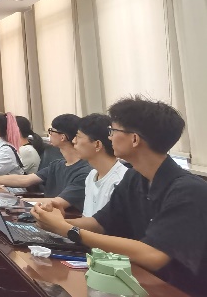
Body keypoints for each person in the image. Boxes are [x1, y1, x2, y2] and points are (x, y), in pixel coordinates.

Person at [33, 97, 207, 295]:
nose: (109, 138)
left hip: (174, 290)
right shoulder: (135, 176)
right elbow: (100, 222)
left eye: (113, 131)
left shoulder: (188, 190)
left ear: (134, 139)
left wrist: (68, 229)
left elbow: (153, 255)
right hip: (135, 282)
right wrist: (53, 220)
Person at [0, 114, 91, 211]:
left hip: (65, 217)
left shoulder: (84, 171)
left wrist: (14, 201)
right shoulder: (57, 164)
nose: (49, 134)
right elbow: (26, 180)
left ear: (62, 137)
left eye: (51, 131)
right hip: (46, 213)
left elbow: (58, 202)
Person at [73, 113, 128, 217]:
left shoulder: (120, 181)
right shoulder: (91, 175)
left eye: (78, 137)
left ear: (97, 144)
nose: (73, 141)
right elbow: (86, 218)